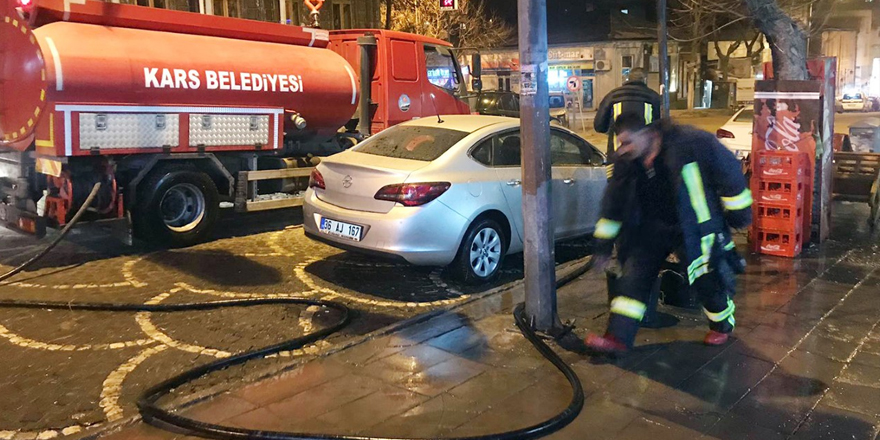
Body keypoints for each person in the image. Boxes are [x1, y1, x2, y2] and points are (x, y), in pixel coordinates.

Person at [586, 113, 752, 353]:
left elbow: (729, 173)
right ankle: (618, 338)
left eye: (628, 142)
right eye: (621, 143)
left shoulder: (692, 143)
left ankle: (722, 323)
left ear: (650, 134)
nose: (623, 149)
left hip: (692, 227)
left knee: (706, 279)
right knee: (633, 277)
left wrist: (739, 215)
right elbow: (613, 203)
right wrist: (602, 246)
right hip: (649, 228)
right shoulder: (626, 161)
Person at [593, 68, 662, 163]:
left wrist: (612, 127)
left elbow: (599, 126)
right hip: (645, 155)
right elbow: (660, 126)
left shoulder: (613, 96)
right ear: (645, 80)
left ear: (628, 79)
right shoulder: (653, 97)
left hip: (618, 154)